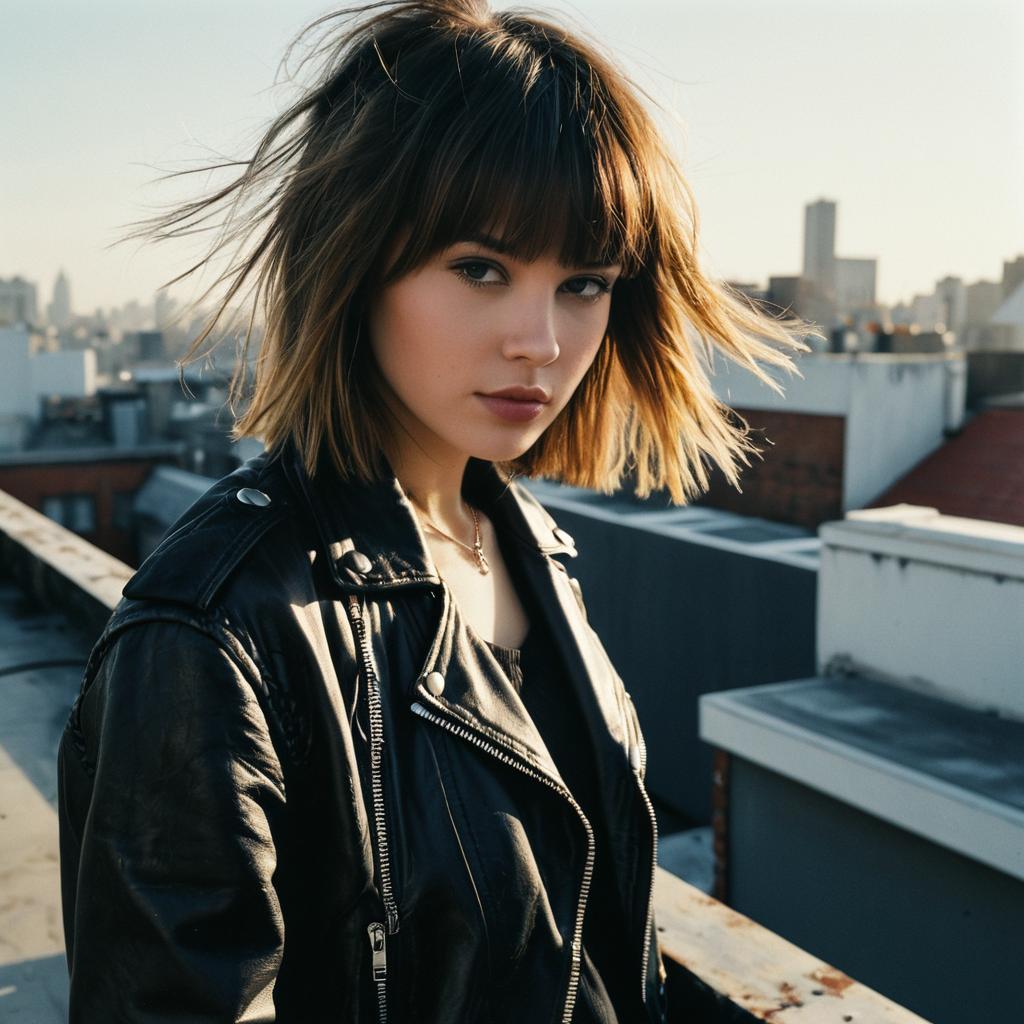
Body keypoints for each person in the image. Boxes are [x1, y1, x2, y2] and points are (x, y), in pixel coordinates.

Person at [57, 1, 811, 1021]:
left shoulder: (528, 543)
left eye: (583, 282)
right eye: (480, 268)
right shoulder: (212, 632)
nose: (541, 339)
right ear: (355, 255)